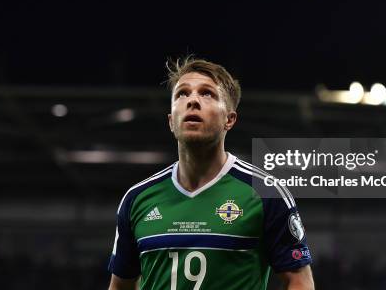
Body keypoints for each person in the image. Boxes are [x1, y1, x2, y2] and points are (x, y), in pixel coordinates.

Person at [108, 56, 315, 290]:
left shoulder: (266, 192)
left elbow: (299, 281)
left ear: (230, 119)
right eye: (182, 94)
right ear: (171, 121)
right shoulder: (137, 199)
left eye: (207, 93)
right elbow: (120, 286)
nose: (192, 101)